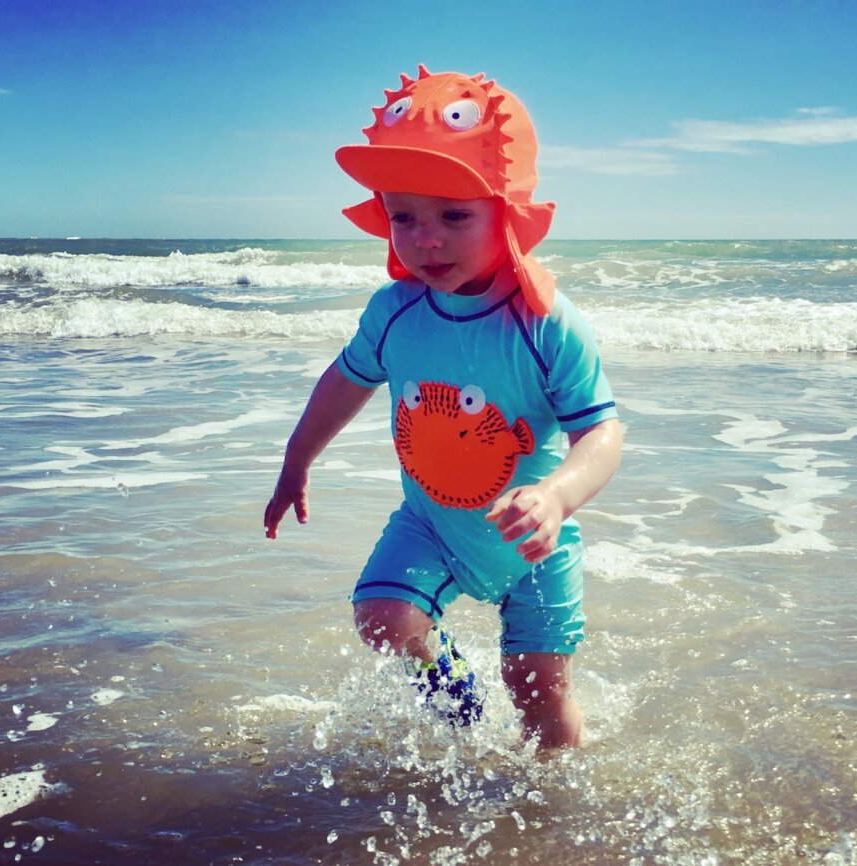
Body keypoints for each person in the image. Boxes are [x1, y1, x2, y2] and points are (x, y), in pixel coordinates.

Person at [264, 66, 622, 749]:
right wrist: (296, 457)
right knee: (382, 616)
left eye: (454, 215)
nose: (426, 239)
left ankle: (562, 803)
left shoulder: (545, 324)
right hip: (429, 522)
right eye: (405, 217)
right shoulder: (394, 313)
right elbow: (346, 380)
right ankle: (462, 708)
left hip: (531, 543)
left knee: (540, 693)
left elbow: (602, 432)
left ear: (506, 212)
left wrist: (555, 497)